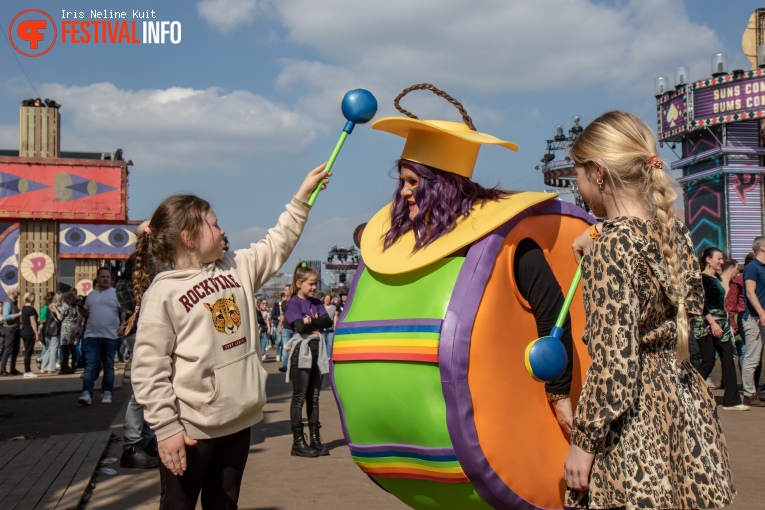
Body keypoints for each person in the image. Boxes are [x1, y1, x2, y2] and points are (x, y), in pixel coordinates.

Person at [130, 164, 328, 509]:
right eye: (215, 224)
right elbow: (148, 368)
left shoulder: (236, 266)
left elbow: (278, 242)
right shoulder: (163, 293)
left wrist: (302, 197)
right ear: (189, 238)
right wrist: (166, 429)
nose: (224, 231)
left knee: (225, 504)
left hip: (238, 419)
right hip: (191, 431)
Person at [563, 110, 735, 508]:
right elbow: (688, 307)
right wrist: (598, 234)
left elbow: (615, 364)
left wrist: (584, 444)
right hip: (681, 407)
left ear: (598, 172)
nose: (578, 184)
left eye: (579, 173)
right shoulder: (672, 230)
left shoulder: (612, 248)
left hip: (633, 426)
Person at [115, 249, 160, 469]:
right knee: (140, 392)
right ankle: (131, 446)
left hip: (147, 335)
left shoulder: (140, 284)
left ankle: (146, 438)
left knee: (151, 390)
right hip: (139, 337)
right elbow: (141, 311)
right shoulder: (126, 285)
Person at [284, 262, 331, 457]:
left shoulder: (317, 303)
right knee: (299, 397)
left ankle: (315, 438)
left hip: (316, 349)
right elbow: (298, 327)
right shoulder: (293, 303)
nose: (314, 287)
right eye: (311, 284)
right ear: (299, 283)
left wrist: (309, 321)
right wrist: (314, 322)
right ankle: (298, 441)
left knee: (314, 397)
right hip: (301, 350)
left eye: (316, 284)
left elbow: (327, 321)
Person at [693, 248, 746, 409]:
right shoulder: (701, 279)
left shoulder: (715, 278)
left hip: (722, 324)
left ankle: (732, 401)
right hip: (707, 325)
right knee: (707, 361)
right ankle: (688, 392)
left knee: (728, 359)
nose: (721, 261)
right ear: (708, 260)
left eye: (722, 259)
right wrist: (713, 323)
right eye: (719, 258)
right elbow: (701, 304)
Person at [77, 267, 124, 406]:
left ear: (111, 279)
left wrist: (122, 326)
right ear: (97, 278)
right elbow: (84, 312)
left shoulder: (116, 294)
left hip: (110, 336)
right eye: (102, 276)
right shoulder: (91, 295)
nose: (105, 279)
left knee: (108, 365)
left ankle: (107, 392)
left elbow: (123, 312)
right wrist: (77, 324)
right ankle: (86, 393)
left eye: (107, 277)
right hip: (91, 335)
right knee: (90, 365)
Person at [742, 236, 765, 407]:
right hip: (754, 318)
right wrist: (761, 312)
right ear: (762, 248)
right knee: (752, 357)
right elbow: (750, 293)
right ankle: (749, 394)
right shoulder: (752, 267)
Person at [1, 286, 22, 376]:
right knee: (8, 349)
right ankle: (2, 370)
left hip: (15, 328)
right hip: (9, 329)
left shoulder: (14, 302)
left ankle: (13, 369)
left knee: (15, 350)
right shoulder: (8, 303)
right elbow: (6, 317)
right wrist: (18, 314)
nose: (18, 293)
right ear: (13, 293)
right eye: (17, 292)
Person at [59, 289, 81, 374]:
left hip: (66, 327)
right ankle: (73, 366)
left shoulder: (65, 305)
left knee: (65, 348)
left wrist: (57, 311)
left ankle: (65, 367)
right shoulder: (75, 306)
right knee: (73, 347)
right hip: (74, 326)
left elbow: (61, 317)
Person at [40, 292, 62, 374]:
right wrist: (57, 311)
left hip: (48, 329)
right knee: (54, 349)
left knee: (48, 349)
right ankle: (51, 367)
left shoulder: (49, 306)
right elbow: (60, 318)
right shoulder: (57, 307)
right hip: (55, 330)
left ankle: (44, 366)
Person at [19, 292, 39, 378]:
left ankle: (27, 370)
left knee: (28, 351)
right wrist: (36, 333)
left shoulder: (23, 308)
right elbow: (32, 322)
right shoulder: (31, 309)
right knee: (28, 351)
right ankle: (27, 370)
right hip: (29, 332)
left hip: (24, 331)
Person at [278, 285, 292, 372]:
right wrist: (280, 326)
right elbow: (282, 315)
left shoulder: (296, 301)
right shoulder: (283, 303)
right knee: (285, 347)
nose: (284, 291)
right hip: (286, 328)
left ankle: (294, 365)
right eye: (284, 290)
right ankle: (285, 365)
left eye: (286, 290)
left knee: (294, 348)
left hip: (295, 328)